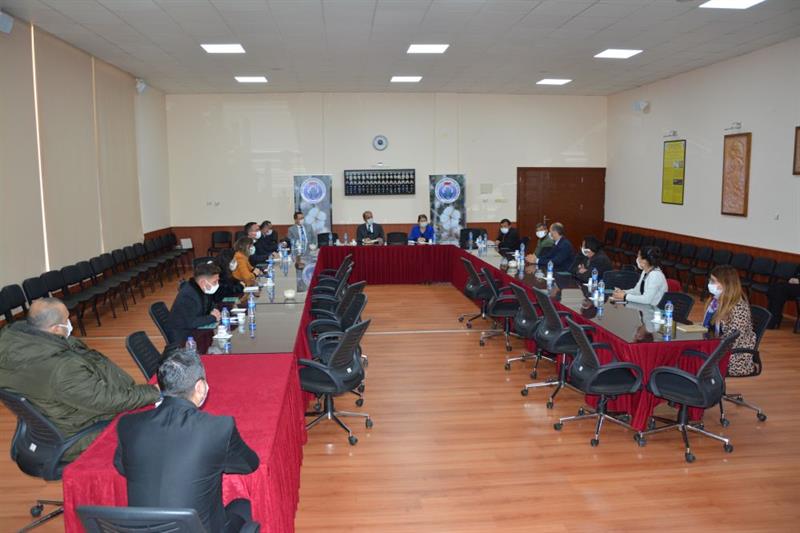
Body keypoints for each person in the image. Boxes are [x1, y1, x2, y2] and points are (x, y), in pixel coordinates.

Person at [115, 350, 259, 533]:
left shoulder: (128, 424)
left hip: (143, 529)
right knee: (244, 506)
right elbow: (249, 464)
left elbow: (122, 466)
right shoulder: (218, 428)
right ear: (200, 387)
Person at [0, 298, 159, 461]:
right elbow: (106, 401)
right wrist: (154, 391)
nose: (70, 323)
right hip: (82, 429)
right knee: (159, 424)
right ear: (55, 329)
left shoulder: (19, 342)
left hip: (63, 414)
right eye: (66, 319)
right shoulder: (61, 369)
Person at [703, 265, 757, 375]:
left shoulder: (739, 308)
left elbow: (731, 340)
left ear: (726, 284)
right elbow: (709, 327)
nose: (710, 284)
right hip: (717, 348)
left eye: (713, 281)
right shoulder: (716, 302)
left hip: (734, 359)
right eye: (710, 280)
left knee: (690, 359)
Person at [166, 262, 222, 345]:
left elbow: (210, 305)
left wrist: (214, 310)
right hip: (184, 338)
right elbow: (191, 322)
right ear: (203, 282)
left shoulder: (203, 289)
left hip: (196, 331)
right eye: (215, 282)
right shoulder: (188, 296)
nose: (217, 284)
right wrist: (213, 317)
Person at [766, 265, 800, 329]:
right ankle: (770, 317)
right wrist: (792, 279)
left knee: (780, 290)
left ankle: (773, 320)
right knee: (775, 287)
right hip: (794, 285)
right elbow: (795, 274)